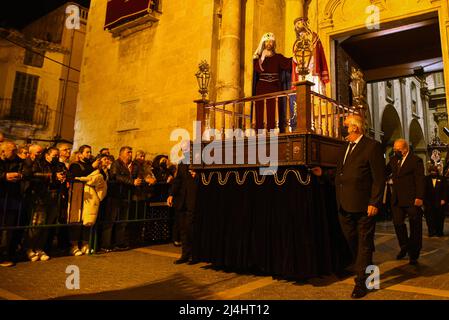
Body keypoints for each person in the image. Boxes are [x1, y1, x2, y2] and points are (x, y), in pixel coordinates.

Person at [335, 114, 385, 299]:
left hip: (364, 206)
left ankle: (361, 283)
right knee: (353, 241)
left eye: (345, 125)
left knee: (363, 243)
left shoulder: (371, 147)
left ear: (355, 128)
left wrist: (374, 202)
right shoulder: (345, 147)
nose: (343, 127)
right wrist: (321, 173)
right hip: (344, 203)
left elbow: (379, 179)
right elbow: (340, 174)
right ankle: (364, 266)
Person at [24, 147, 67, 262]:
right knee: (37, 224)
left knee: (47, 225)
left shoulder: (59, 164)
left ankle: (39, 247)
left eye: (58, 156)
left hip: (54, 196)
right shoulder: (39, 163)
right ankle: (29, 247)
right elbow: (34, 174)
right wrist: (52, 176)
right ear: (47, 155)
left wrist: (64, 176)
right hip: (41, 196)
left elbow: (65, 173)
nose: (56, 158)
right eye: (54, 156)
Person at [386, 139, 425, 265]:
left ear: (405, 149)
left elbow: (420, 180)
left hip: (412, 199)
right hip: (397, 199)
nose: (395, 151)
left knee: (415, 226)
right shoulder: (393, 160)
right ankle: (405, 246)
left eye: (397, 149)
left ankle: (414, 253)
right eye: (394, 148)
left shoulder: (415, 160)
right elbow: (383, 172)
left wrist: (419, 197)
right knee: (397, 223)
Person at [167, 142, 199, 264]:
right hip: (182, 200)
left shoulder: (198, 160)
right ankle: (184, 254)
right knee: (183, 228)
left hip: (193, 199)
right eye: (183, 149)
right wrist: (171, 194)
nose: (185, 151)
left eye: (187, 148)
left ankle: (194, 255)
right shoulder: (181, 162)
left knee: (191, 227)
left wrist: (197, 175)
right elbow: (177, 181)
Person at [252, 32, 292, 131]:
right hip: (262, 87)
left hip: (275, 87)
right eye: (267, 42)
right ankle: (260, 132)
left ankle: (274, 131)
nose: (269, 43)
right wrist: (262, 58)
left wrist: (299, 56)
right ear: (263, 43)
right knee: (260, 110)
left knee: (273, 111)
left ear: (274, 44)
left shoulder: (278, 57)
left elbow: (289, 63)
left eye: (271, 42)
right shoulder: (258, 57)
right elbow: (258, 69)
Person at [107, 146, 142, 251]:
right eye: (128, 152)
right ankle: (106, 244)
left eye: (131, 152)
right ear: (121, 154)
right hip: (115, 195)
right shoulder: (116, 164)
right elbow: (115, 176)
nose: (130, 154)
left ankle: (120, 242)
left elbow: (137, 176)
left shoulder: (133, 166)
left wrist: (140, 180)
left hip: (126, 195)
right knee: (111, 220)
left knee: (123, 221)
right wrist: (132, 182)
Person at [67, 145, 97, 256]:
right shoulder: (75, 165)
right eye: (87, 152)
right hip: (78, 195)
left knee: (87, 219)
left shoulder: (91, 165)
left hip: (89, 196)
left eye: (90, 152)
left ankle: (85, 243)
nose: (89, 154)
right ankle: (74, 245)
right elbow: (76, 175)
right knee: (76, 220)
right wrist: (92, 167)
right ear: (80, 154)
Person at [0, 141, 23, 267]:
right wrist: (4, 176)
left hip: (12, 198)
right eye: (13, 150)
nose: (16, 153)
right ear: (3, 151)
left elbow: (27, 170)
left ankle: (4, 253)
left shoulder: (18, 161)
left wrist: (20, 175)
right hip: (2, 195)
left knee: (8, 228)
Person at [424, 165, 447, 237]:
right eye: (432, 171)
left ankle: (439, 232)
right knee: (429, 218)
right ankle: (431, 231)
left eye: (434, 171)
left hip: (439, 202)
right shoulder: (426, 179)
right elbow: (423, 190)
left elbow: (445, 190)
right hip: (429, 202)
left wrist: (444, 199)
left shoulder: (442, 178)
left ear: (437, 172)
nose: (433, 173)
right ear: (430, 172)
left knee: (439, 218)